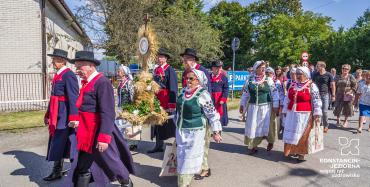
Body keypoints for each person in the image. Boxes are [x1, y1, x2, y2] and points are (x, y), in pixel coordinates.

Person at [65, 51, 134, 187]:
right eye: (76, 67)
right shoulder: (86, 82)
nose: (77, 70)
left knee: (112, 162)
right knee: (82, 166)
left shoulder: (102, 82)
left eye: (80, 67)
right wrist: (77, 120)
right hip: (86, 132)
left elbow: (108, 112)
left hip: (99, 131)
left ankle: (126, 182)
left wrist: (103, 138)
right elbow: (86, 107)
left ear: (91, 65)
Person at [176, 69, 222, 187]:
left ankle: (184, 183)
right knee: (182, 154)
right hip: (181, 130)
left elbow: (212, 114)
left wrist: (216, 132)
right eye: (187, 78)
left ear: (198, 80)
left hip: (196, 131)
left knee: (189, 156)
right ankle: (187, 176)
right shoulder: (182, 92)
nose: (188, 81)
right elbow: (178, 112)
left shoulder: (203, 94)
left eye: (191, 78)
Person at [43, 49, 79, 181]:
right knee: (57, 142)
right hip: (56, 114)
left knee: (70, 143)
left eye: (55, 59)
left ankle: (79, 172)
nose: (53, 61)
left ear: (63, 60)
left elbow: (73, 97)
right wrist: (48, 114)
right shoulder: (58, 74)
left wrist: (74, 117)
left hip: (65, 115)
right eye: (53, 59)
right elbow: (53, 98)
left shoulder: (68, 75)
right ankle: (57, 171)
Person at [180, 48, 213, 179]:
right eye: (183, 58)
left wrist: (206, 114)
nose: (184, 60)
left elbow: (207, 92)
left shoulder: (202, 70)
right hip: (187, 115)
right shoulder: (185, 72)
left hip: (200, 113)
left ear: (192, 60)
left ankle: (204, 169)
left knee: (202, 144)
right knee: (190, 145)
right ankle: (191, 168)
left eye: (186, 58)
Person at [282, 66, 322, 161]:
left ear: (306, 75)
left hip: (304, 114)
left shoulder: (311, 86)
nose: (298, 76)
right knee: (291, 133)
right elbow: (287, 98)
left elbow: (317, 100)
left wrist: (317, 113)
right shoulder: (292, 85)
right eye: (297, 74)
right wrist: (284, 110)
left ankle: (301, 153)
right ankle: (292, 150)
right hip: (292, 113)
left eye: (300, 74)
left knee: (302, 133)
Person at [239, 61, 279, 154]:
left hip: (266, 107)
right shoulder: (249, 80)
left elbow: (275, 93)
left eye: (264, 67)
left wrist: (276, 106)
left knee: (268, 126)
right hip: (253, 107)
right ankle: (253, 145)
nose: (263, 69)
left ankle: (270, 141)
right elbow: (245, 94)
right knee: (253, 126)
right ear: (256, 68)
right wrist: (242, 104)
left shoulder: (268, 80)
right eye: (261, 67)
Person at [148, 48, 178, 154]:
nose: (159, 58)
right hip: (157, 100)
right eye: (158, 56)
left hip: (166, 100)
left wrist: (172, 104)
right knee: (157, 122)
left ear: (166, 58)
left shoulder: (170, 70)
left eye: (161, 57)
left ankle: (178, 145)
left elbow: (173, 88)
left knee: (171, 123)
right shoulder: (156, 70)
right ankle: (158, 145)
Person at [116, 65, 140, 151]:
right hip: (121, 108)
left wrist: (134, 109)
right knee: (120, 125)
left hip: (129, 108)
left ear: (124, 73)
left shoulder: (129, 83)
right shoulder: (120, 83)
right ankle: (122, 143)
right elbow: (118, 97)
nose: (117, 72)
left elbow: (133, 96)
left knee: (130, 126)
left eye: (119, 71)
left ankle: (132, 144)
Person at [312, 61, 336, 133]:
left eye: (317, 66)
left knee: (324, 111)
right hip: (316, 95)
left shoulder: (329, 75)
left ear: (322, 66)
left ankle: (326, 125)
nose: (316, 67)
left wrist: (333, 95)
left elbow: (333, 85)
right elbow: (312, 83)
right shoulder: (315, 74)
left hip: (325, 94)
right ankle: (318, 124)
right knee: (316, 110)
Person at [210, 60, 229, 127]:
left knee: (219, 118)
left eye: (220, 67)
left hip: (219, 101)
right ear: (212, 68)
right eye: (217, 67)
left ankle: (218, 131)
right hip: (210, 100)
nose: (219, 69)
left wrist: (223, 99)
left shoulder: (224, 78)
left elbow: (226, 89)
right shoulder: (208, 77)